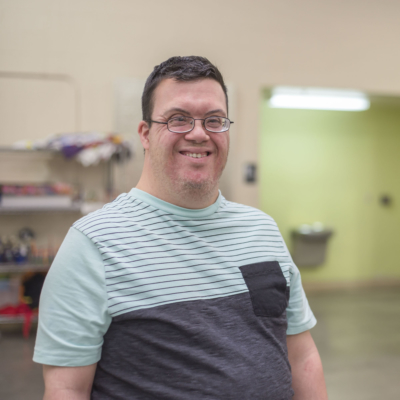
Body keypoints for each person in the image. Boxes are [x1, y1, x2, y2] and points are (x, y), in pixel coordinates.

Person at [34, 56, 328, 400]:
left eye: (214, 120)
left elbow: (302, 355)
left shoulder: (261, 229)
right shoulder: (93, 244)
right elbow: (67, 389)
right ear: (145, 134)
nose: (199, 133)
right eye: (178, 119)